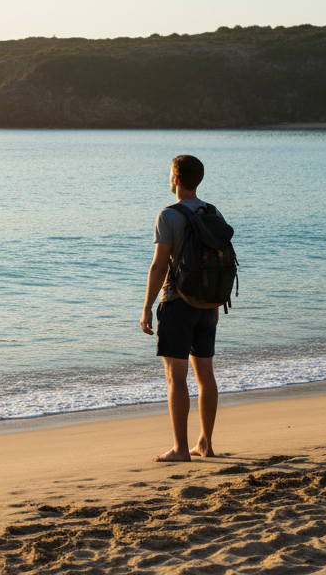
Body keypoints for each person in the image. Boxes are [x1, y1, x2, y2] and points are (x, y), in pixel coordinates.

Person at [139, 154, 219, 463]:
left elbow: (160, 265)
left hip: (177, 303)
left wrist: (147, 307)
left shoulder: (168, 215)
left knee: (176, 377)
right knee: (205, 375)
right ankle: (206, 444)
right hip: (209, 303)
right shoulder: (212, 211)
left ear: (175, 179)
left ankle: (181, 449)